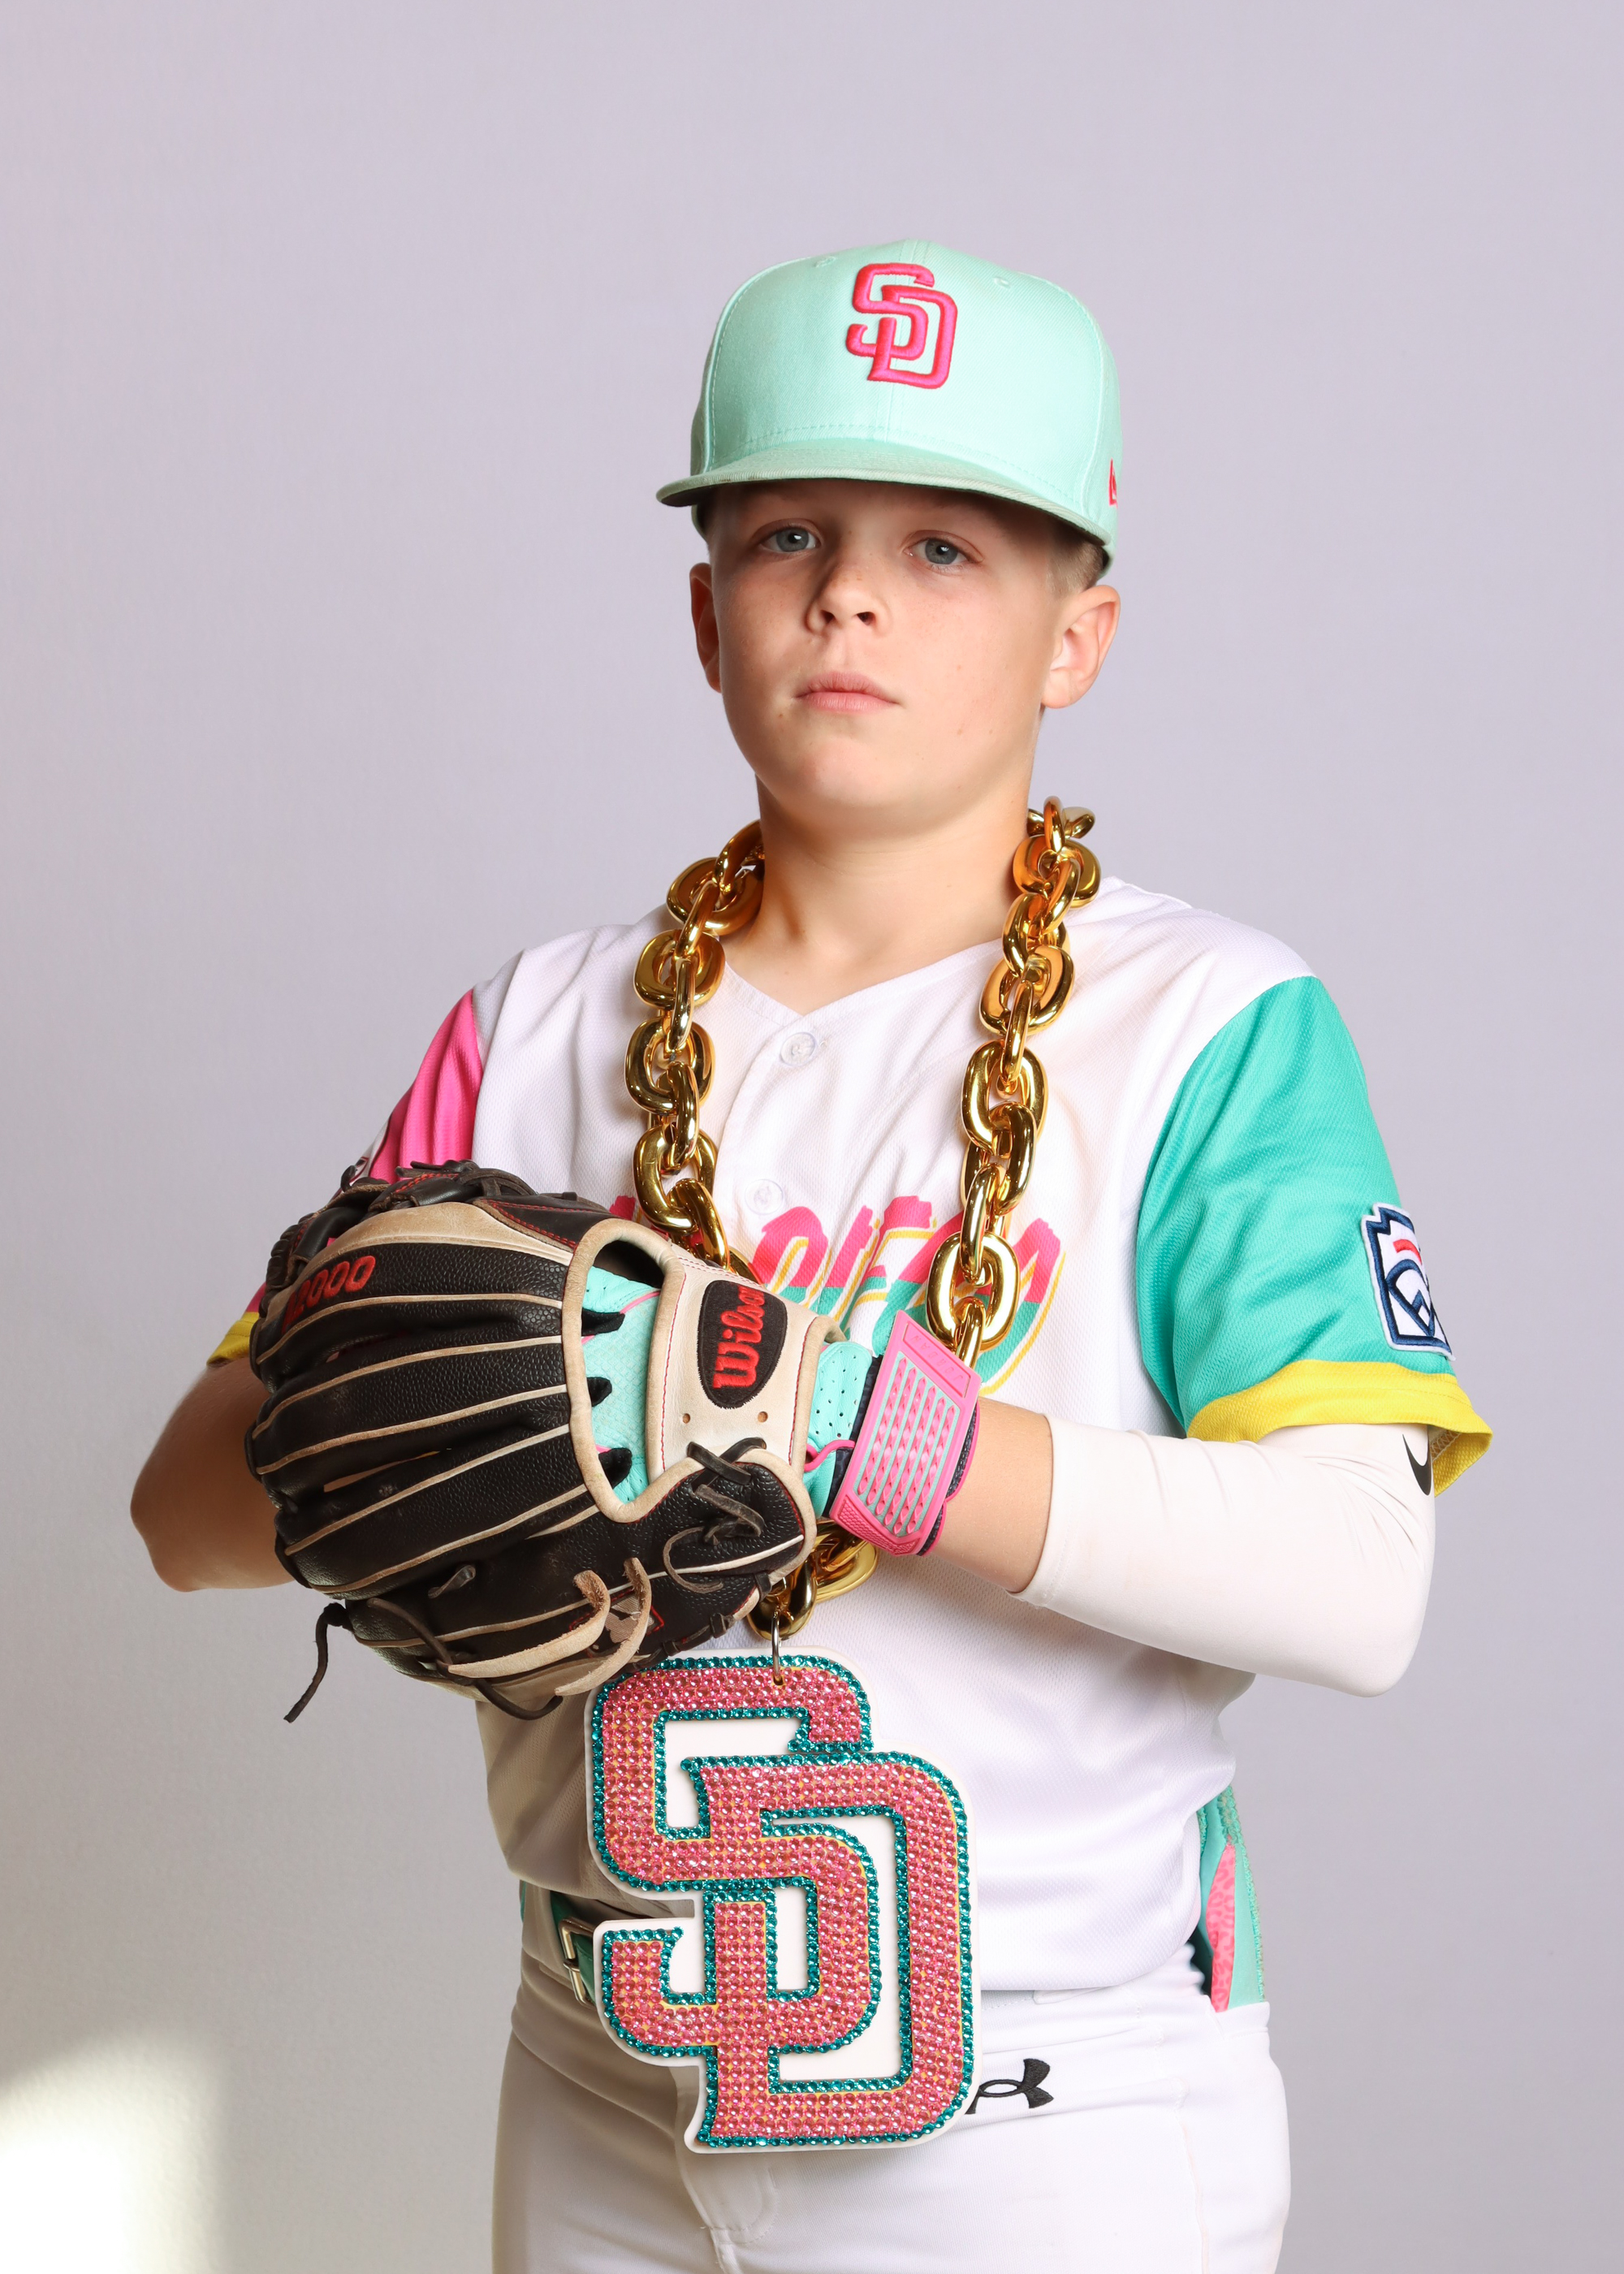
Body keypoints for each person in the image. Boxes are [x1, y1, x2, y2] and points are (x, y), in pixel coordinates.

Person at [132, 240, 1491, 2274]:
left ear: (1078, 632)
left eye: (945, 546)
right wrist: (424, 1449)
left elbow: (1358, 1578)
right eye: (787, 533)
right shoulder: (530, 1030)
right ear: (706, 613)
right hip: (597, 2069)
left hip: (1040, 2114)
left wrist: (849, 1420)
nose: (850, 593)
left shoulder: (1211, 1027)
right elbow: (183, 1512)